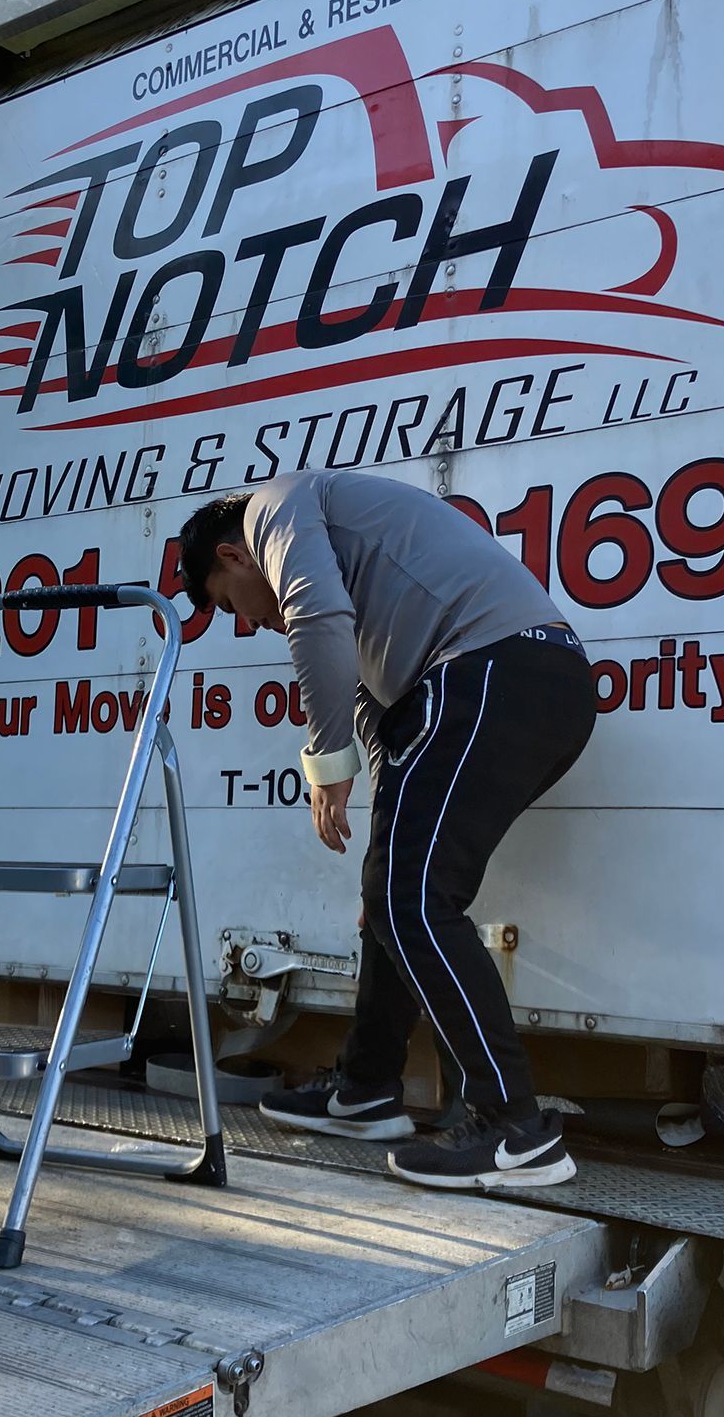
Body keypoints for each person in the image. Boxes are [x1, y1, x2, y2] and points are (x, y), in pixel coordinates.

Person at [178, 470, 596, 1190]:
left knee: (415, 900)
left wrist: (323, 758)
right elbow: (382, 714)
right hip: (497, 680)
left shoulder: (275, 509)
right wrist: (380, 830)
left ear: (231, 556)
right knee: (391, 897)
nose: (249, 623)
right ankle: (366, 1089)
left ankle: (515, 1129)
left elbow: (316, 620)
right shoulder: (355, 578)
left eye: (229, 607)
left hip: (499, 669)